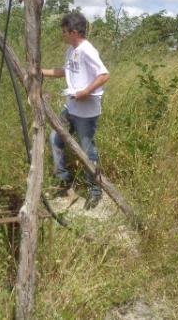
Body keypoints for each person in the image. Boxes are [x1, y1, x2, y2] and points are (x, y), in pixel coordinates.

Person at [42, 13, 110, 209]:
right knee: (55, 138)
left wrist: (85, 92)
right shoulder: (71, 50)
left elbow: (104, 74)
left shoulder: (87, 50)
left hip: (86, 113)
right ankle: (63, 180)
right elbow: (66, 71)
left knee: (88, 152)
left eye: (64, 32)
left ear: (73, 32)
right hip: (70, 107)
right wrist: (40, 71)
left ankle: (95, 191)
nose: (62, 35)